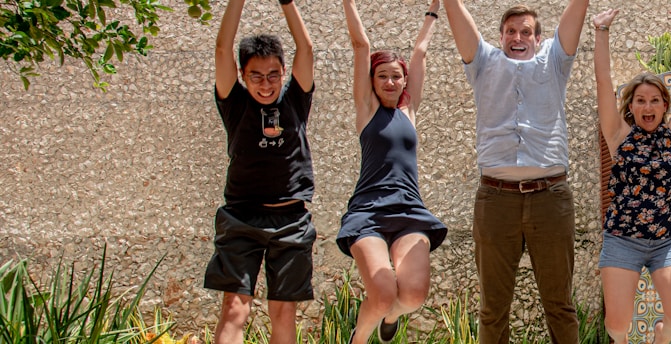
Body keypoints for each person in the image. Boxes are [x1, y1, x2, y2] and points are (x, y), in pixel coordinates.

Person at [440, 0, 589, 343]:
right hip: (496, 200)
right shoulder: (483, 62)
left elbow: (574, 17)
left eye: (525, 32)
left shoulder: (553, 60)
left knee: (560, 305)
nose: (517, 37)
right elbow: (460, 23)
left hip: (550, 198)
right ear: (501, 37)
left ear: (539, 38)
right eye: (510, 31)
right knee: (493, 308)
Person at [338, 0, 448, 343]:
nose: (389, 82)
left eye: (395, 76)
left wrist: (434, 11)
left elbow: (421, 51)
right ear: (372, 81)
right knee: (383, 291)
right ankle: (358, 338)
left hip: (409, 209)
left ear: (404, 82)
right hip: (368, 211)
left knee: (412, 295)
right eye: (382, 76)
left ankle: (392, 318)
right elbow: (361, 45)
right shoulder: (367, 108)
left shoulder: (409, 109)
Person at [205, 0, 315, 342]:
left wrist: (287, 3)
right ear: (242, 76)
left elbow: (306, 48)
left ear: (284, 72)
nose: (265, 84)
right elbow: (223, 48)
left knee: (283, 310)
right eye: (255, 76)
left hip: (292, 220)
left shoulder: (295, 98)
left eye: (272, 75)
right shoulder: (235, 102)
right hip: (241, 218)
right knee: (235, 307)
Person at [591, 2, 671, 343]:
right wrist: (601, 32)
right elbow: (603, 79)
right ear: (631, 106)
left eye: (654, 100)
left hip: (668, 239)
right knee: (617, 326)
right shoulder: (618, 135)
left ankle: (660, 339)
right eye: (640, 100)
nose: (647, 106)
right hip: (623, 239)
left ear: (665, 105)